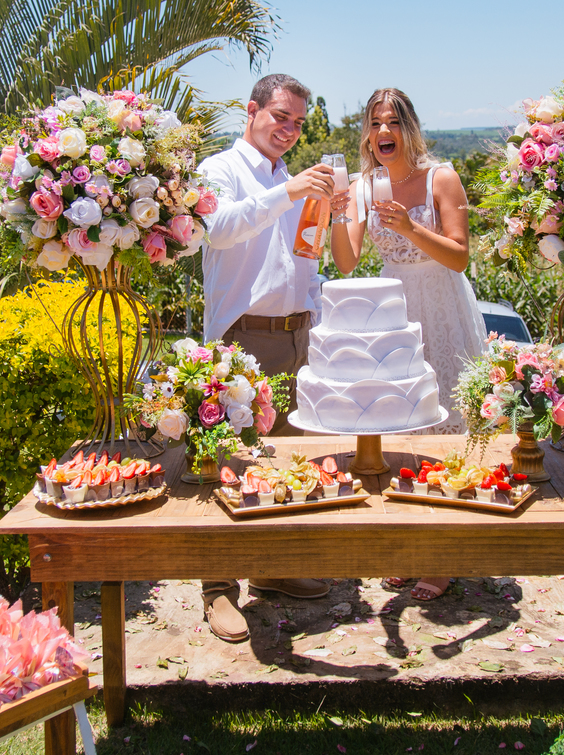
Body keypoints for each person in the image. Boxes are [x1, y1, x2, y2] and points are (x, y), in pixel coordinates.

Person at [195, 74, 340, 642]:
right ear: (251, 111)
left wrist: (314, 317)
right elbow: (219, 231)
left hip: (294, 335)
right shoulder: (220, 170)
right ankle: (217, 589)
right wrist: (290, 191)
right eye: (281, 116)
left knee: (283, 462)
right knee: (228, 463)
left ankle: (272, 569)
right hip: (242, 338)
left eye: (298, 122)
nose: (290, 129)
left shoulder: (289, 178)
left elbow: (301, 259)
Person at [330, 88, 488, 601]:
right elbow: (348, 261)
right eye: (374, 123)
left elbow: (460, 257)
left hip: (441, 303)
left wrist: (409, 226)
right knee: (402, 427)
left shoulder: (442, 176)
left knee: (445, 431)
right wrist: (336, 213)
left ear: (408, 127)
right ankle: (412, 547)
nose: (382, 133)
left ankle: (446, 556)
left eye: (392, 122)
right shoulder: (364, 185)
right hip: (392, 313)